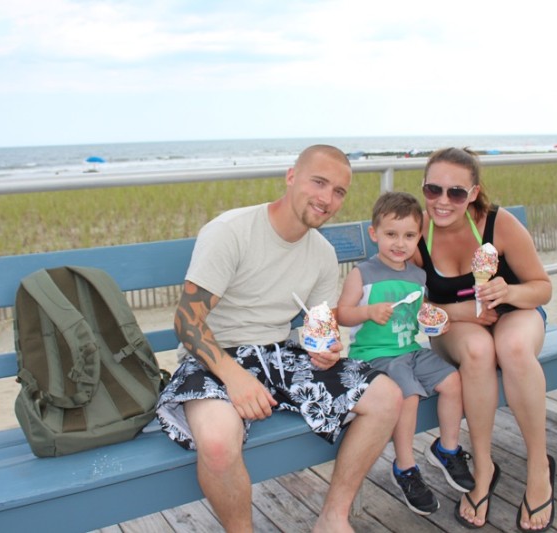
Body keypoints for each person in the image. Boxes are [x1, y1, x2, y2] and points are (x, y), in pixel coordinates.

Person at [155, 144, 402, 533]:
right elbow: (187, 321)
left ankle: (333, 518)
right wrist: (235, 377)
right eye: (318, 182)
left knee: (387, 396)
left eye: (339, 191)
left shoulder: (321, 252)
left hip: (279, 354)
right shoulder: (231, 231)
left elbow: (316, 326)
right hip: (214, 356)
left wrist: (325, 351)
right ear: (291, 177)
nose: (327, 199)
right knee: (218, 442)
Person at [413, 147, 554, 532]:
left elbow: (542, 288)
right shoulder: (418, 232)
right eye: (433, 190)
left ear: (473, 193)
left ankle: (538, 465)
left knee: (513, 348)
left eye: (456, 193)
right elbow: (412, 306)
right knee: (478, 350)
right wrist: (460, 313)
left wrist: (508, 292)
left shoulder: (499, 224)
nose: (443, 202)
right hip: (453, 324)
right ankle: (484, 466)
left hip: (514, 312)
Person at [337, 191, 474, 516]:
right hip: (375, 355)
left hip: (411, 350)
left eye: (409, 236)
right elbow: (341, 313)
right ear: (375, 234)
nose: (400, 243)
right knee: (409, 395)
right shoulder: (363, 274)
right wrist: (368, 312)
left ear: (418, 237)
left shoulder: (417, 276)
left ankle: (447, 448)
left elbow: (420, 315)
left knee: (453, 381)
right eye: (391, 235)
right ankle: (405, 467)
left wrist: (434, 323)